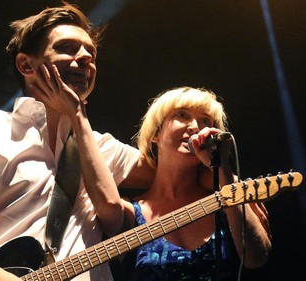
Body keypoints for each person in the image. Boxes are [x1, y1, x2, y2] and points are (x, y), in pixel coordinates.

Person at [0, 3, 153, 281]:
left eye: (90, 52)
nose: (85, 57)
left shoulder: (102, 148)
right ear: (26, 65)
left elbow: (180, 174)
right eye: (68, 48)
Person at [87, 86, 272, 280]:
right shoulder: (132, 212)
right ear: (155, 134)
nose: (194, 127)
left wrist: (221, 167)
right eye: (182, 115)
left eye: (205, 121)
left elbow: (255, 257)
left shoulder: (226, 199)